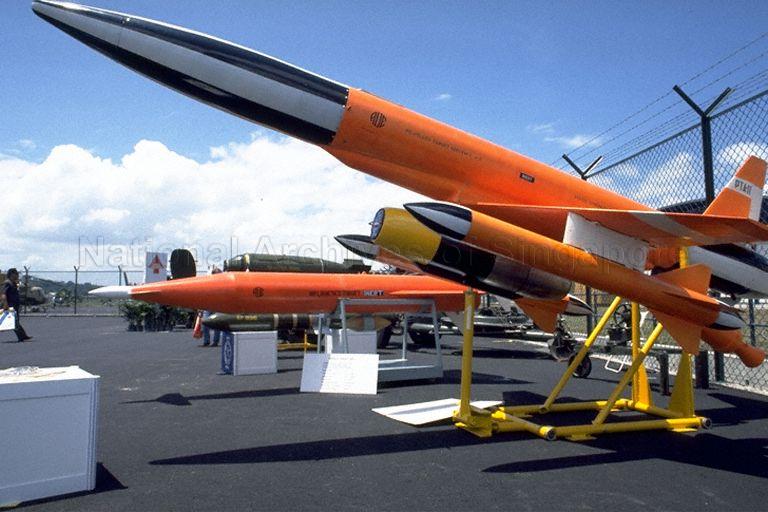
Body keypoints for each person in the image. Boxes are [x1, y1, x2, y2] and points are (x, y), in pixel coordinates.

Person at [1, 268, 32, 342]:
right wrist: (5, 304)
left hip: (15, 305)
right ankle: (22, 336)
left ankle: (23, 336)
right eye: (16, 274)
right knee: (14, 322)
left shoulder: (13, 283)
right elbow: (3, 294)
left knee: (15, 321)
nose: (17, 275)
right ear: (12, 274)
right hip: (10, 305)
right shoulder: (7, 283)